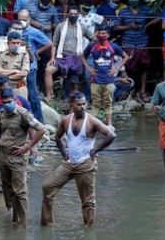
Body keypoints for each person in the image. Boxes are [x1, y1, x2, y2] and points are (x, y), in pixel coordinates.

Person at [40, 91, 116, 227]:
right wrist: (64, 153)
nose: (82, 107)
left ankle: (88, 231)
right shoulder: (66, 120)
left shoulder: (91, 120)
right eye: (79, 104)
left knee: (88, 201)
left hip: (85, 164)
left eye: (84, 104)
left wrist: (96, 150)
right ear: (72, 105)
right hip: (69, 163)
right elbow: (58, 137)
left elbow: (111, 135)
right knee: (48, 187)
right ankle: (47, 224)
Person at [0, 88, 46, 226]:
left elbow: (41, 129)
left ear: (14, 99)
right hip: (3, 155)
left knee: (20, 191)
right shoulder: (2, 113)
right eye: (4, 102)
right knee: (7, 187)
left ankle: (23, 223)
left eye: (9, 102)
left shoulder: (23, 113)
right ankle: (14, 219)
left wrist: (29, 146)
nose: (6, 104)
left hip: (18, 157)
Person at [115, 0, 159, 103]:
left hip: (142, 43)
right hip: (128, 44)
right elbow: (116, 27)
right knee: (128, 68)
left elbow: (160, 16)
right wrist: (128, 26)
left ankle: (143, 91)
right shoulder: (123, 12)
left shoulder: (146, 10)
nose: (133, 0)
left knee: (143, 68)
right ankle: (130, 91)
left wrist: (148, 25)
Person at [82, 25, 128, 129]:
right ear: (97, 34)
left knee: (108, 102)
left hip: (109, 79)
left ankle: (109, 124)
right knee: (96, 102)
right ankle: (94, 125)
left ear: (108, 35)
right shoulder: (92, 46)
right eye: (100, 33)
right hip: (95, 79)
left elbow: (125, 56)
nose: (102, 35)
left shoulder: (113, 46)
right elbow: (82, 56)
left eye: (104, 33)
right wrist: (89, 69)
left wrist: (116, 69)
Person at [46, 4, 92, 102]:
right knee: (48, 70)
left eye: (75, 14)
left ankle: (69, 100)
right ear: (67, 14)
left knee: (73, 81)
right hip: (61, 57)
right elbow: (54, 44)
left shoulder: (82, 27)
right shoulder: (60, 26)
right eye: (71, 14)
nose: (73, 16)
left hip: (76, 58)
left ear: (78, 15)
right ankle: (49, 97)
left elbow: (92, 39)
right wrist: (52, 58)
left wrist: (85, 53)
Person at [12, 14, 52, 123]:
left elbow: (49, 43)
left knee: (33, 94)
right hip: (15, 69)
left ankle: (39, 120)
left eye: (24, 20)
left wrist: (36, 52)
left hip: (30, 68)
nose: (22, 22)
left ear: (29, 20)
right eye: (20, 19)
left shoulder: (33, 32)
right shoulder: (11, 33)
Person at [0, 31, 29, 99]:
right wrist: (15, 71)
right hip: (4, 88)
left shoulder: (24, 54)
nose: (16, 45)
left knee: (22, 108)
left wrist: (6, 77)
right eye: (13, 43)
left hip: (20, 88)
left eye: (18, 43)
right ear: (8, 43)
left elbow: (24, 73)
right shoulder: (1, 55)